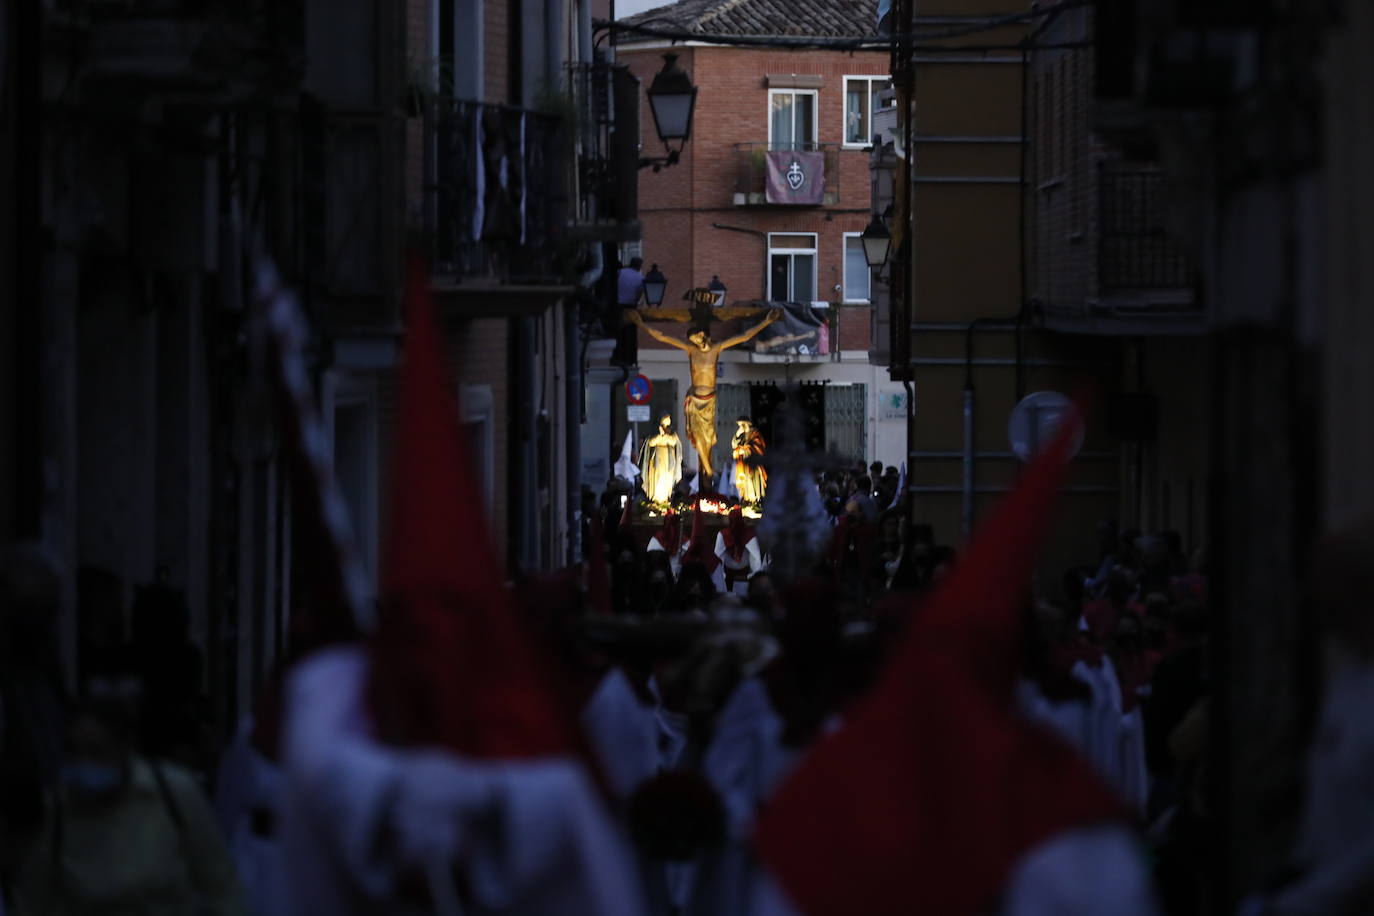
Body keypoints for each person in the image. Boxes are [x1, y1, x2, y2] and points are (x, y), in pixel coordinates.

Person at [11, 699, 248, 916]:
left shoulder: (174, 793)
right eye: (75, 752)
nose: (86, 763)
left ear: (125, 748)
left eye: (98, 751)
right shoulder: (58, 810)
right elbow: (33, 898)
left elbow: (221, 884)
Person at [625, 307, 782, 486]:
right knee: (699, 438)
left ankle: (708, 477)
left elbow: (744, 336)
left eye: (697, 338)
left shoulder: (716, 348)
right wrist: (640, 324)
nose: (696, 342)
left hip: (709, 400)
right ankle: (708, 471)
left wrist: (766, 322)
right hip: (694, 399)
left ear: (702, 334)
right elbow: (663, 337)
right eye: (692, 340)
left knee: (707, 440)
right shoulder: (691, 350)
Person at [639, 414, 683, 504]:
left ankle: (665, 498)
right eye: (666, 419)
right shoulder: (655, 432)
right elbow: (651, 442)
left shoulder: (671, 433)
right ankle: (656, 498)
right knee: (657, 477)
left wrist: (664, 437)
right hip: (656, 460)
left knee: (667, 478)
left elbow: (673, 441)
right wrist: (660, 436)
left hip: (668, 459)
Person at [731, 417, 769, 505]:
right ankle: (747, 499)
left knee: (753, 480)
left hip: (753, 461)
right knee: (745, 481)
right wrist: (737, 435)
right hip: (743, 462)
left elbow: (758, 446)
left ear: (747, 424)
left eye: (742, 424)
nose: (740, 427)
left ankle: (756, 500)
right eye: (739, 425)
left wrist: (746, 449)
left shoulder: (754, 433)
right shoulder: (742, 435)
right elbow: (734, 445)